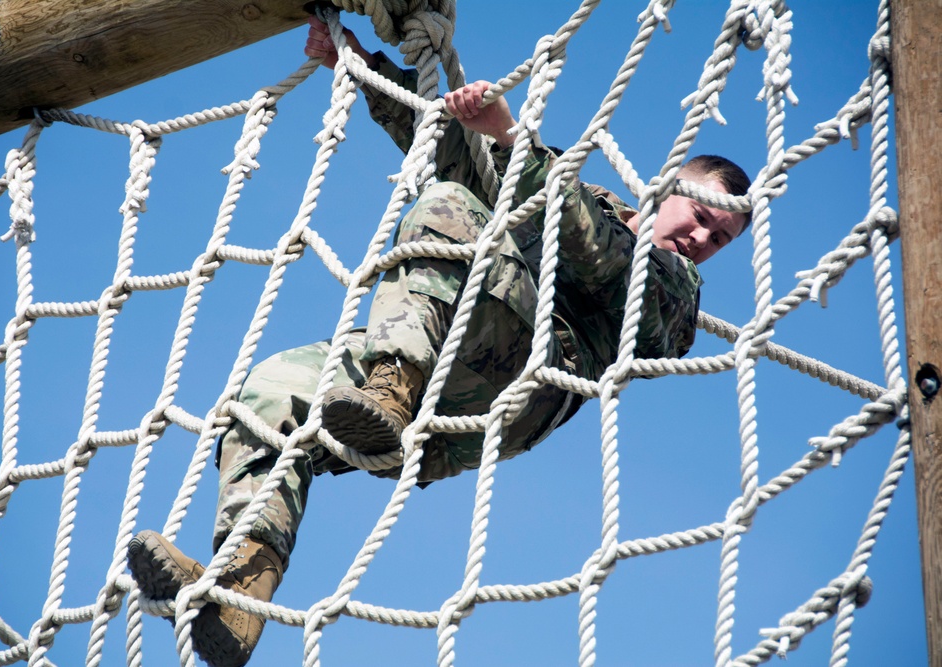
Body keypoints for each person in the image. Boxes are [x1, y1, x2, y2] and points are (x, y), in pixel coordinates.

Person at [126, 16, 751, 667]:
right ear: (670, 184)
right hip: (430, 372)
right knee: (268, 395)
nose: (703, 239)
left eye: (721, 240)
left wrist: (508, 134)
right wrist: (365, 71)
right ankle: (238, 594)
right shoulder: (578, 190)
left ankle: (390, 390)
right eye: (702, 216)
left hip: (520, 377)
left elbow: (590, 243)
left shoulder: (676, 298)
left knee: (450, 205)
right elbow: (453, 145)